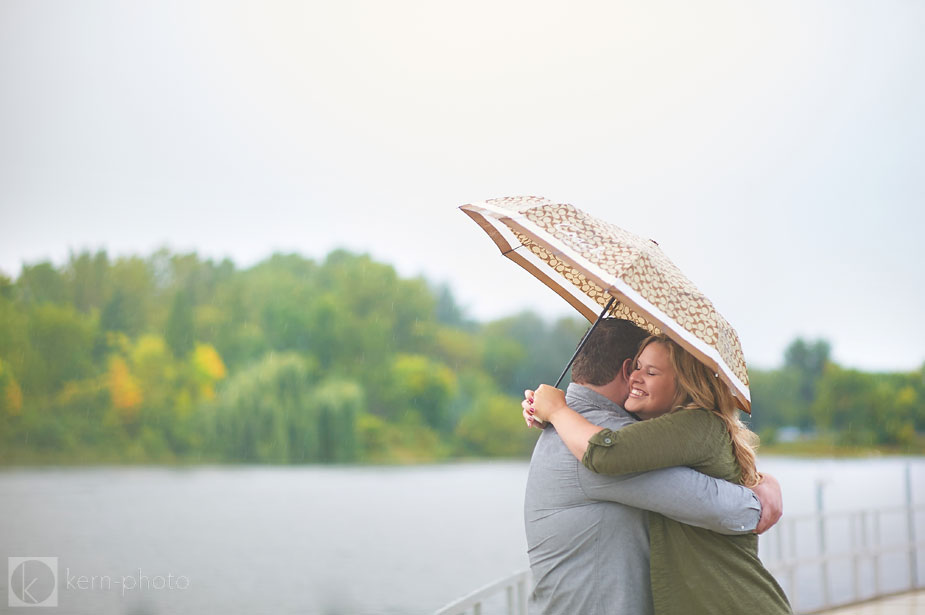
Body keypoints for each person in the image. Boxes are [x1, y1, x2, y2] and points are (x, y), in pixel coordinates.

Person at [522, 320, 784, 615]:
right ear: (626, 370)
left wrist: (555, 410)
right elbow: (717, 506)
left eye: (651, 370)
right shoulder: (591, 437)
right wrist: (760, 499)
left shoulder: (569, 427)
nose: (639, 377)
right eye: (639, 368)